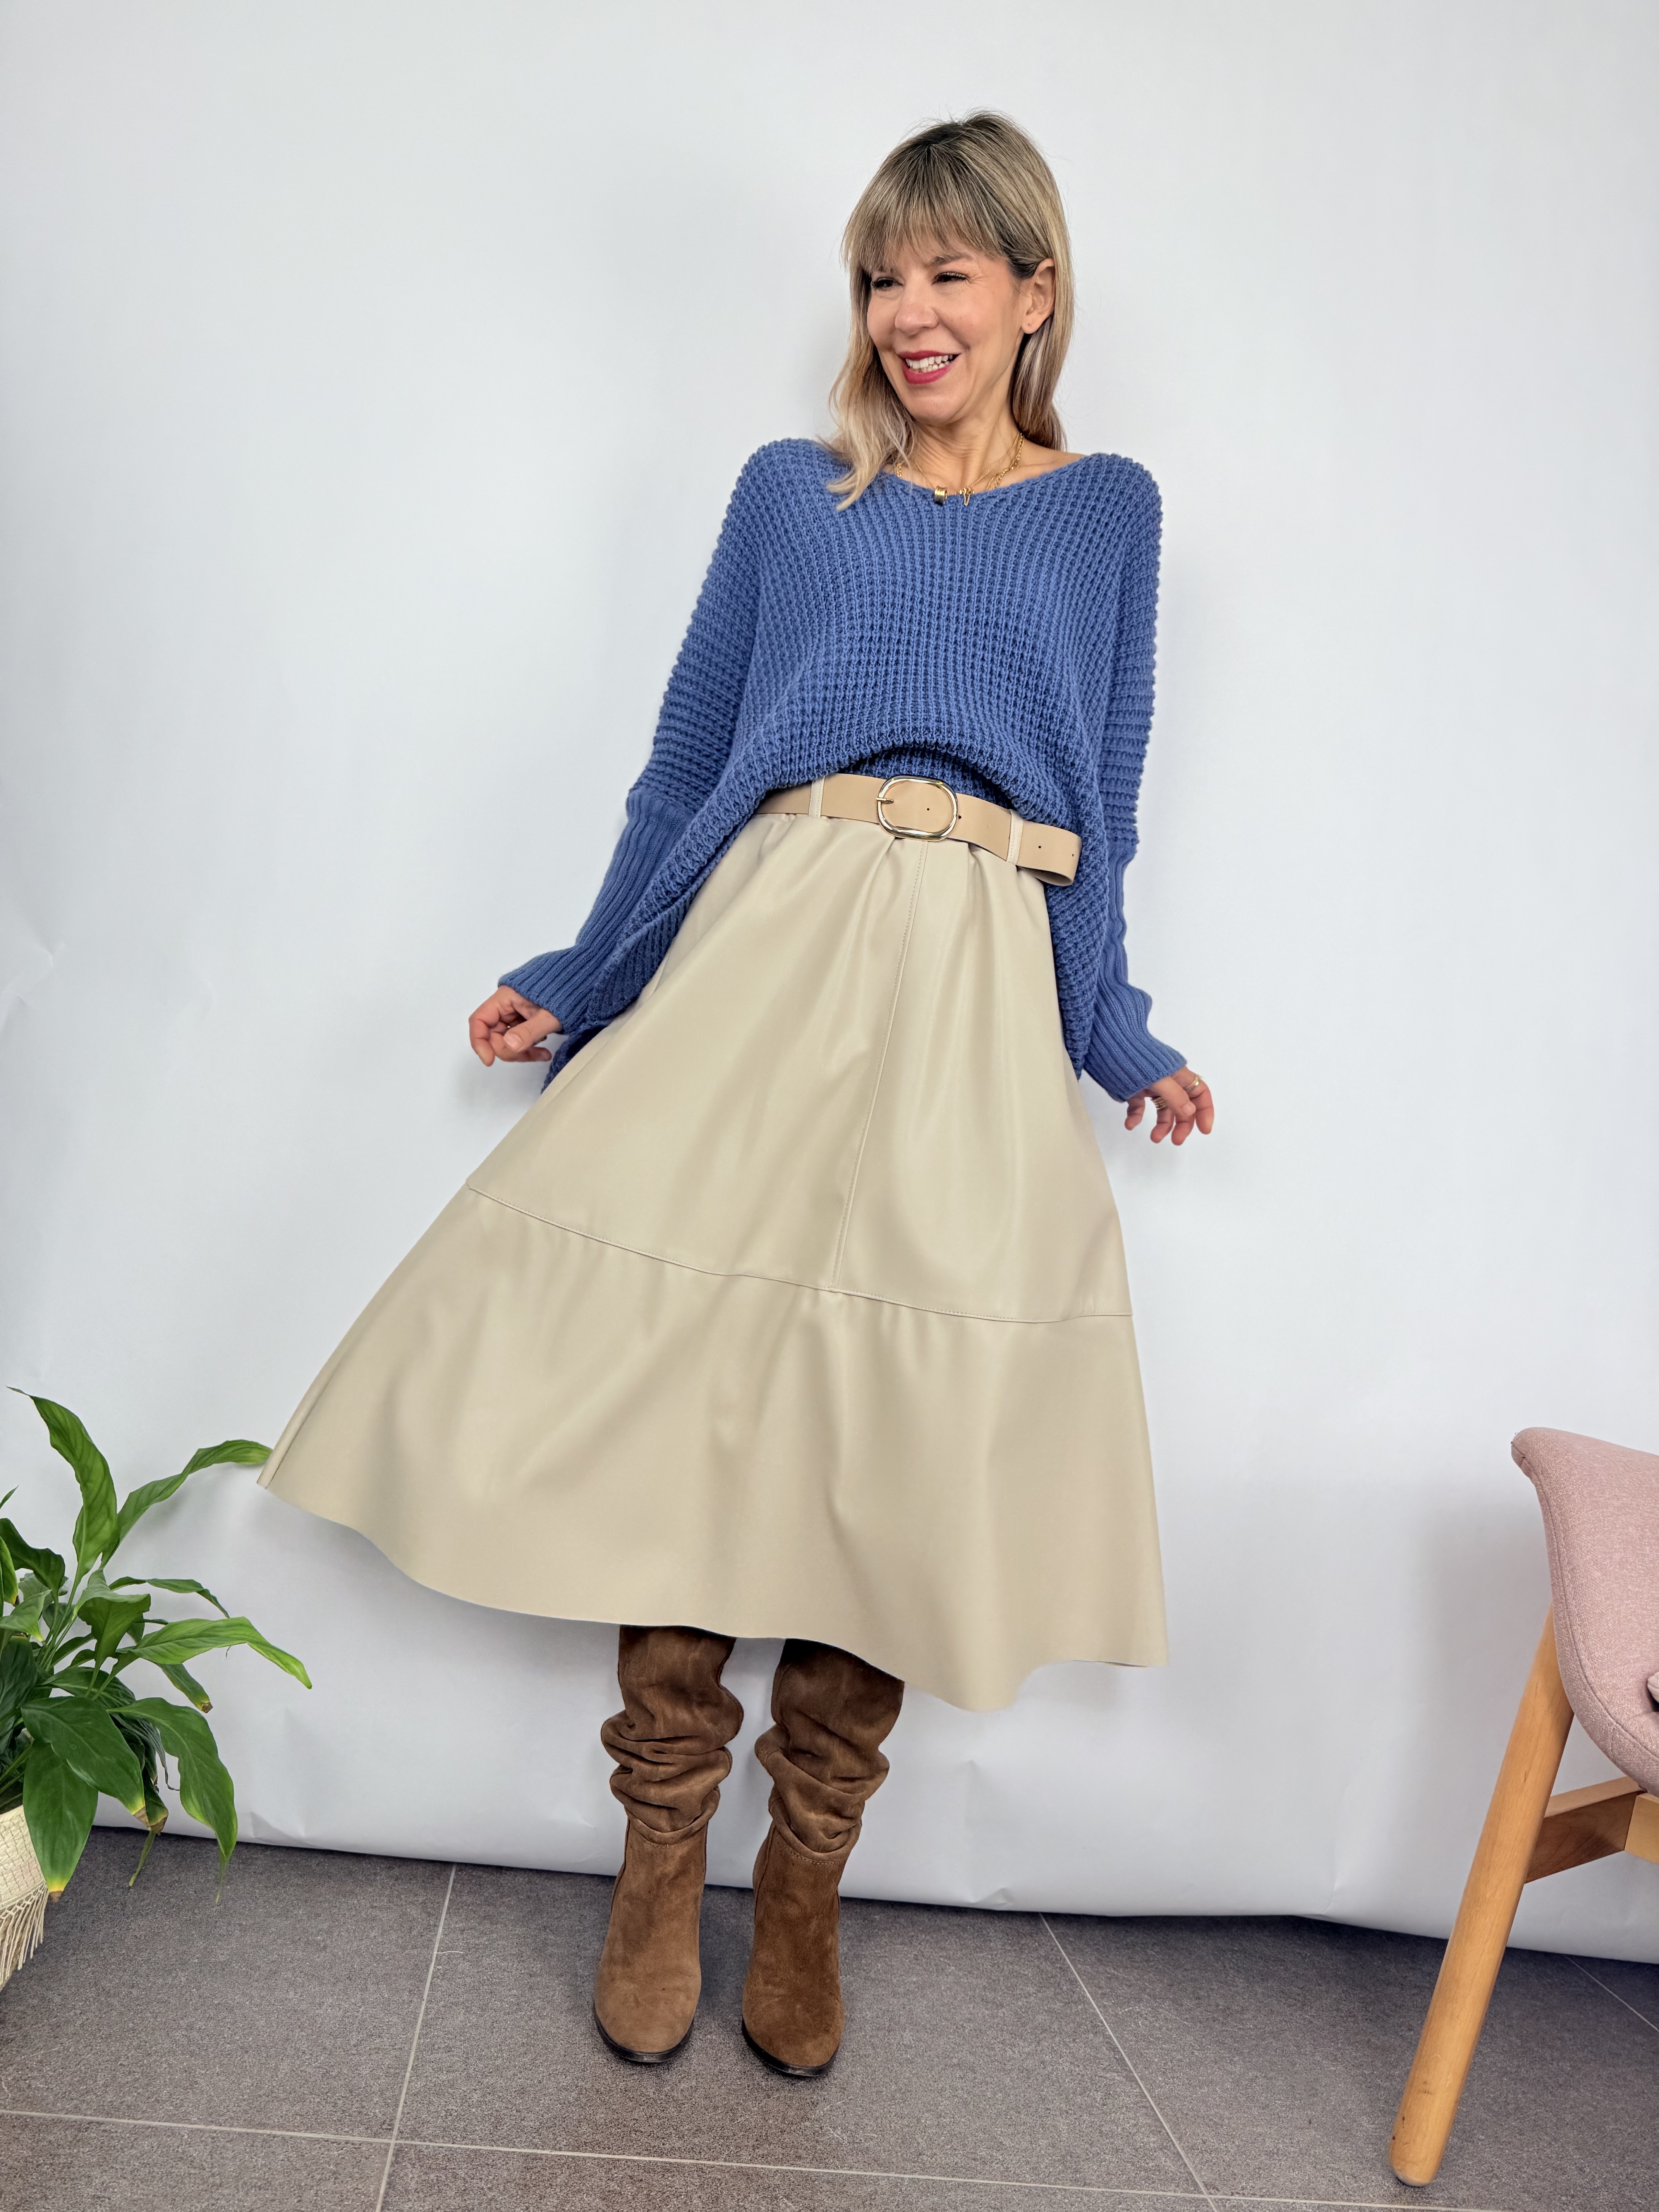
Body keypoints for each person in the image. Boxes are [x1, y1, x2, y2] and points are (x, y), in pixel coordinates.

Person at [259, 110, 1213, 2080]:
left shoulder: (1108, 512)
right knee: (697, 1391)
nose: (909, 311)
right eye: (882, 276)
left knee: (907, 1416)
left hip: (983, 970)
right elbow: (691, 757)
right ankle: (660, 1848)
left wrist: (1112, 1026)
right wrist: (583, 974)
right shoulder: (797, 492)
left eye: (950, 272)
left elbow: (1105, 803)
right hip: (772, 932)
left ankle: (805, 1880)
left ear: (1035, 291)